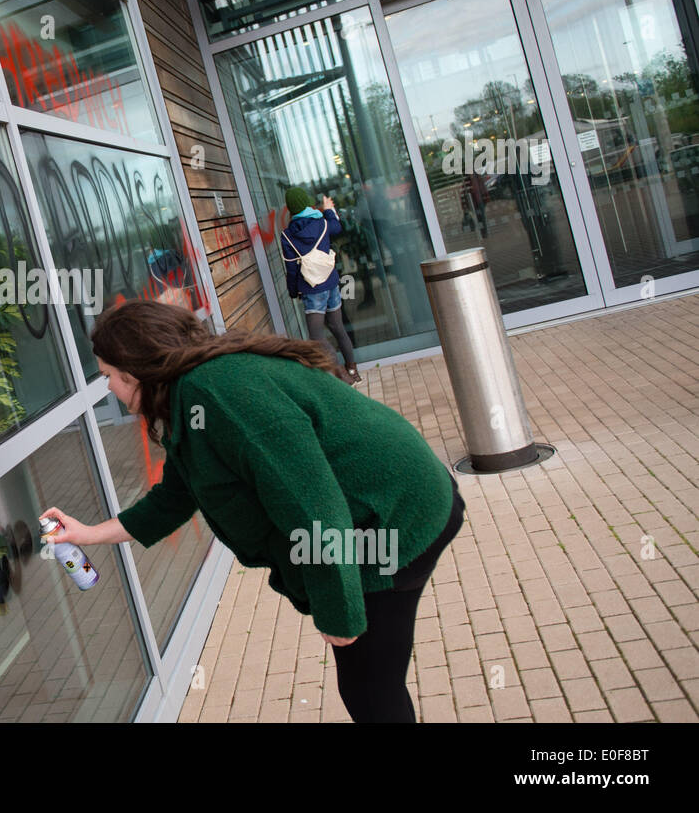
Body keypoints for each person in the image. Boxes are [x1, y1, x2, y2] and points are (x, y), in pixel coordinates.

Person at [40, 300, 467, 723]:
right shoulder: (191, 397)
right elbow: (173, 497)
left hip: (395, 519)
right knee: (370, 683)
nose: (109, 389)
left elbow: (310, 505)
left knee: (369, 688)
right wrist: (89, 533)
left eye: (109, 377)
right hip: (377, 512)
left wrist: (339, 609)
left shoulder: (218, 393)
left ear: (136, 371)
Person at [280, 186, 360, 384]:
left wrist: (293, 291)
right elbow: (337, 227)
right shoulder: (323, 223)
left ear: (290, 209)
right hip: (331, 283)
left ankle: (341, 374)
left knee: (317, 337)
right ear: (308, 203)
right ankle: (352, 371)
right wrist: (329, 209)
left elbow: (292, 270)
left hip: (311, 289)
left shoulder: (287, 236)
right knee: (338, 328)